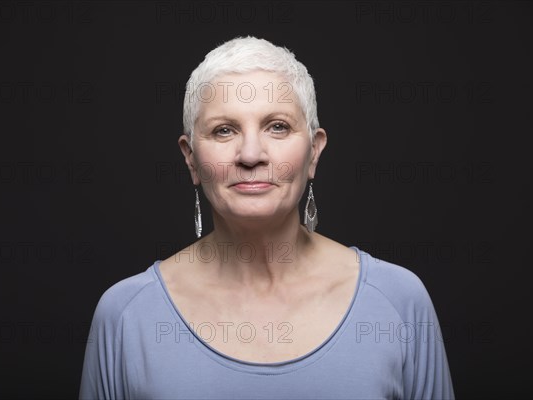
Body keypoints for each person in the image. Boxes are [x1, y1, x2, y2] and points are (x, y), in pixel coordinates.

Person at [79, 35, 455, 399]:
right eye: (224, 130)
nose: (251, 154)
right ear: (191, 158)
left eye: (278, 126)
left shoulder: (398, 300)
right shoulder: (126, 315)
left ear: (314, 153)